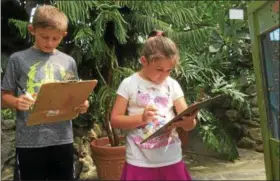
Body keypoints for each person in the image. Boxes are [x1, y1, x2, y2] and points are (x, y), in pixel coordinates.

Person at [1, 5, 89, 181]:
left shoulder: (68, 62)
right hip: (29, 141)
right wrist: (17, 102)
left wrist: (82, 105)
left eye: (55, 39)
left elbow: (76, 94)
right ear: (32, 30)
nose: (49, 43)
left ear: (63, 35)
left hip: (62, 139)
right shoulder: (18, 60)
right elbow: (4, 96)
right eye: (44, 37)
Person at [111, 30, 198, 180]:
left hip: (171, 158)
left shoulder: (172, 85)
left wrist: (189, 121)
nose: (164, 75)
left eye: (169, 71)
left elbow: (187, 123)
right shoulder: (129, 84)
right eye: (159, 70)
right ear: (144, 61)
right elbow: (115, 120)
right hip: (139, 161)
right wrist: (142, 119)